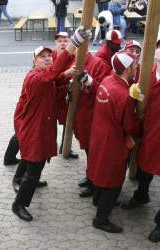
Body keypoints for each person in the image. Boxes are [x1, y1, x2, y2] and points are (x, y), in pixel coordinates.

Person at [11, 26, 91, 222]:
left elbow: (54, 87)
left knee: (32, 160)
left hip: (41, 127)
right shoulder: (34, 77)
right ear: (34, 61)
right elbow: (52, 75)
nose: (47, 59)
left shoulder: (45, 78)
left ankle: (26, 180)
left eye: (49, 56)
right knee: (34, 164)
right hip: (34, 129)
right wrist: (73, 44)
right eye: (42, 57)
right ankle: (18, 204)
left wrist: (67, 79)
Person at [87, 51, 142, 233]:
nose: (136, 67)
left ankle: (97, 200)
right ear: (127, 69)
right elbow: (130, 125)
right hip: (113, 142)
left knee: (99, 170)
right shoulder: (123, 95)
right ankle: (101, 219)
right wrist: (141, 127)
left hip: (99, 135)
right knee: (114, 180)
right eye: (134, 64)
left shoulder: (107, 81)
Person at [121, 48, 160, 242]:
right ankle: (141, 195)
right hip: (150, 131)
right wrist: (135, 94)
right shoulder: (149, 72)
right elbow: (143, 96)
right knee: (145, 167)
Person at [74, 53, 111, 198]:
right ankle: (90, 178)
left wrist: (90, 82)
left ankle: (94, 184)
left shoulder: (99, 64)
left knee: (94, 152)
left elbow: (106, 91)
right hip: (82, 115)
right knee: (89, 151)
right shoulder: (75, 61)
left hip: (93, 116)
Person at [52, 32, 79, 159]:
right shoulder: (48, 56)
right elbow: (49, 77)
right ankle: (49, 145)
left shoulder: (74, 56)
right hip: (51, 96)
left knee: (68, 122)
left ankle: (65, 147)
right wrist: (66, 74)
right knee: (45, 123)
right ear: (55, 43)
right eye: (59, 41)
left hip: (66, 95)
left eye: (65, 41)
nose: (63, 43)